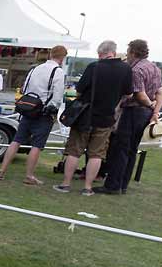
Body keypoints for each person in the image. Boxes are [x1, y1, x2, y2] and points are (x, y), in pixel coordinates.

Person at [53, 41, 133, 196]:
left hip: (85, 117)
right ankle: (88, 187)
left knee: (74, 151)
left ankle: (65, 184)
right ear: (114, 53)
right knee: (96, 154)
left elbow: (79, 91)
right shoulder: (126, 69)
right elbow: (128, 93)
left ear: (100, 53)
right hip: (107, 118)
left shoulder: (94, 67)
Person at [96, 39, 162, 195]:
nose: (127, 54)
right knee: (132, 150)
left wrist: (150, 105)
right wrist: (154, 112)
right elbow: (160, 93)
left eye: (128, 51)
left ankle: (113, 185)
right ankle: (123, 184)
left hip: (134, 112)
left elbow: (139, 94)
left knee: (121, 149)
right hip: (145, 114)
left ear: (133, 52)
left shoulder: (136, 70)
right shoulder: (155, 68)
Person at [0, 45, 67, 185]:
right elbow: (57, 95)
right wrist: (54, 109)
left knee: (17, 140)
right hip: (44, 112)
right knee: (37, 145)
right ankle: (29, 175)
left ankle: (2, 170)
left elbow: (25, 88)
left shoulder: (35, 68)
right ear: (62, 57)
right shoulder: (57, 72)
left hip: (28, 109)